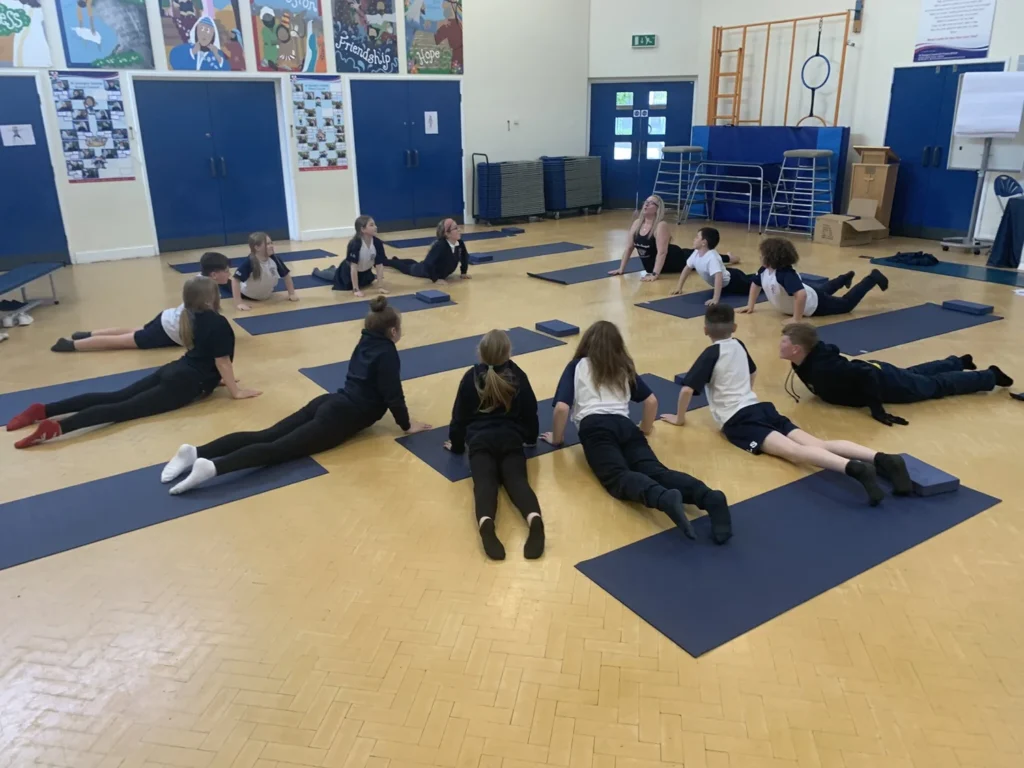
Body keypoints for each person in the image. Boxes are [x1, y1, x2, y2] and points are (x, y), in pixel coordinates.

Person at [162, 296, 432, 494]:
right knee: (277, 449)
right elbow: (392, 393)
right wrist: (407, 425)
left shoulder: (365, 340)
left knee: (266, 435)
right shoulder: (387, 353)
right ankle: (213, 467)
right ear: (393, 331)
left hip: (328, 401)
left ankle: (195, 452)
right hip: (340, 416)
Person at [662, 304, 912, 506]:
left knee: (794, 453)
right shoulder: (738, 344)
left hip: (740, 420)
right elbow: (752, 372)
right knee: (817, 443)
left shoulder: (711, 353)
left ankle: (853, 469)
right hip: (761, 408)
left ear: (705, 329)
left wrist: (680, 418)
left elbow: (686, 389)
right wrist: (745, 393)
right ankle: (882, 458)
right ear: (735, 327)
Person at [8, 277, 257, 448]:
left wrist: (221, 380)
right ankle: (57, 428)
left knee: (114, 396)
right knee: (122, 410)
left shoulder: (188, 316)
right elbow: (221, 360)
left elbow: (204, 352)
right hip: (185, 383)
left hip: (175, 370)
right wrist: (237, 392)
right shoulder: (218, 322)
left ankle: (42, 409)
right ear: (210, 298)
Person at [543, 321, 732, 544]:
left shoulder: (577, 365)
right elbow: (651, 401)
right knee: (656, 471)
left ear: (587, 344)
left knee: (617, 476)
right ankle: (709, 497)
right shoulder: (623, 366)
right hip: (626, 425)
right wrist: (645, 428)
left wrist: (557, 440)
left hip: (595, 428)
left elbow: (562, 408)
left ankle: (662, 498)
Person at [779, 322, 1014, 425]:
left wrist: (877, 410)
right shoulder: (802, 360)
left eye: (784, 342)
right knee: (913, 374)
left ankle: (989, 376)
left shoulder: (824, 367)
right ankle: (958, 361)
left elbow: (865, 376)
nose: (780, 346)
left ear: (797, 348)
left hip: (884, 381)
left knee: (934, 386)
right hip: (877, 369)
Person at [444, 329, 545, 561]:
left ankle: (487, 526)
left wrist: (457, 446)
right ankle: (535, 521)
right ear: (508, 353)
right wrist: (530, 438)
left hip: (480, 443)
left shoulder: (470, 377)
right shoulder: (518, 375)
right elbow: (531, 411)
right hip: (511, 440)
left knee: (485, 483)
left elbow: (458, 418)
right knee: (517, 481)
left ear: (480, 353)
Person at [51, 252, 233, 353]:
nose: (229, 274)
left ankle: (87, 334)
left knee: (134, 330)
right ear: (215, 274)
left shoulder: (200, 280)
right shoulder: (208, 290)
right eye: (226, 271)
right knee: (122, 341)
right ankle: (71, 345)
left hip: (166, 318)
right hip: (168, 330)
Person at [740, 237, 888, 322]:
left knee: (846, 305)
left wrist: (796, 319)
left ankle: (872, 278)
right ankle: (845, 278)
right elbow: (755, 283)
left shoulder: (785, 275)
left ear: (772, 258)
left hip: (815, 305)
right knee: (824, 289)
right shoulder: (764, 270)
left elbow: (801, 295)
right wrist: (750, 305)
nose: (759, 258)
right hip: (812, 294)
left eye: (762, 255)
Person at [609, 197, 737, 282]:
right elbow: (629, 247)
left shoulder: (660, 225)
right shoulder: (637, 223)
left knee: (700, 258)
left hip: (675, 259)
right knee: (695, 253)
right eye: (646, 201)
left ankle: (728, 258)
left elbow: (662, 252)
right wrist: (621, 269)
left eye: (651, 203)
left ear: (657, 209)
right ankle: (726, 256)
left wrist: (655, 274)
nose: (646, 204)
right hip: (657, 264)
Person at [313, 215, 388, 297]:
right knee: (335, 278)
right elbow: (353, 268)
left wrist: (380, 286)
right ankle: (317, 271)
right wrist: (356, 289)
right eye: (371, 225)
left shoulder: (377, 243)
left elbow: (379, 265)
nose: (375, 227)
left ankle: (333, 269)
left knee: (367, 282)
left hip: (365, 271)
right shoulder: (355, 244)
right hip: (348, 271)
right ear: (362, 229)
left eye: (374, 224)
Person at [669, 227, 748, 303]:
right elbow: (687, 268)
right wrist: (679, 287)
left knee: (754, 285)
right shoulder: (696, 252)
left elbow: (718, 277)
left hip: (735, 280)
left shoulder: (712, 258)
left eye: (697, 237)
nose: (694, 239)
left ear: (704, 242)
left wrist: (715, 299)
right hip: (727, 279)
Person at [384, 219, 471, 284]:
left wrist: (463, 272)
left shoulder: (459, 243)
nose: (459, 229)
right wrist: (435, 279)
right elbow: (428, 264)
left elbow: (464, 256)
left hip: (429, 268)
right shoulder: (440, 246)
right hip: (425, 271)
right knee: (407, 268)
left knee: (414, 263)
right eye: (455, 228)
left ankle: (396, 259)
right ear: (447, 234)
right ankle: (388, 262)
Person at [232, 232, 299, 311]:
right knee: (227, 283)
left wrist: (291, 294)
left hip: (266, 295)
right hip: (247, 295)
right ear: (257, 247)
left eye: (271, 243)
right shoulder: (250, 262)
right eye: (267, 244)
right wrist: (239, 303)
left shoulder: (275, 259)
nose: (271, 246)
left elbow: (286, 276)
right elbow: (235, 280)